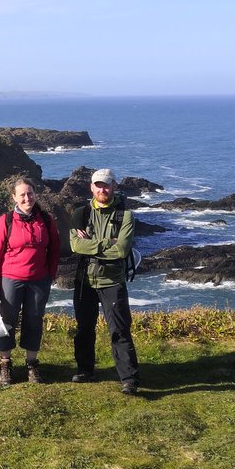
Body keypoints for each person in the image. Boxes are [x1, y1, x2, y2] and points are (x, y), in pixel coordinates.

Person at [69, 168, 141, 395]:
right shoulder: (80, 213)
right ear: (91, 187)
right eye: (98, 185)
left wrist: (92, 245)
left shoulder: (125, 216)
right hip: (85, 280)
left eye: (106, 185)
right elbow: (75, 246)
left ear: (114, 186)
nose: (102, 189)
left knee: (119, 330)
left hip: (112, 280)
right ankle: (85, 370)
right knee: (84, 328)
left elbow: (121, 250)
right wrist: (105, 243)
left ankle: (128, 379)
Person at [0, 176, 61, 385]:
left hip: (39, 280)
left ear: (35, 194)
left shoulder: (46, 219)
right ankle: (5, 364)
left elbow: (55, 249)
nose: (27, 198)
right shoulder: (6, 221)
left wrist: (50, 275)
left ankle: (32, 364)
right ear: (14, 197)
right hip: (10, 279)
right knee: (6, 321)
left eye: (30, 193)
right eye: (22, 195)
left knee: (34, 320)